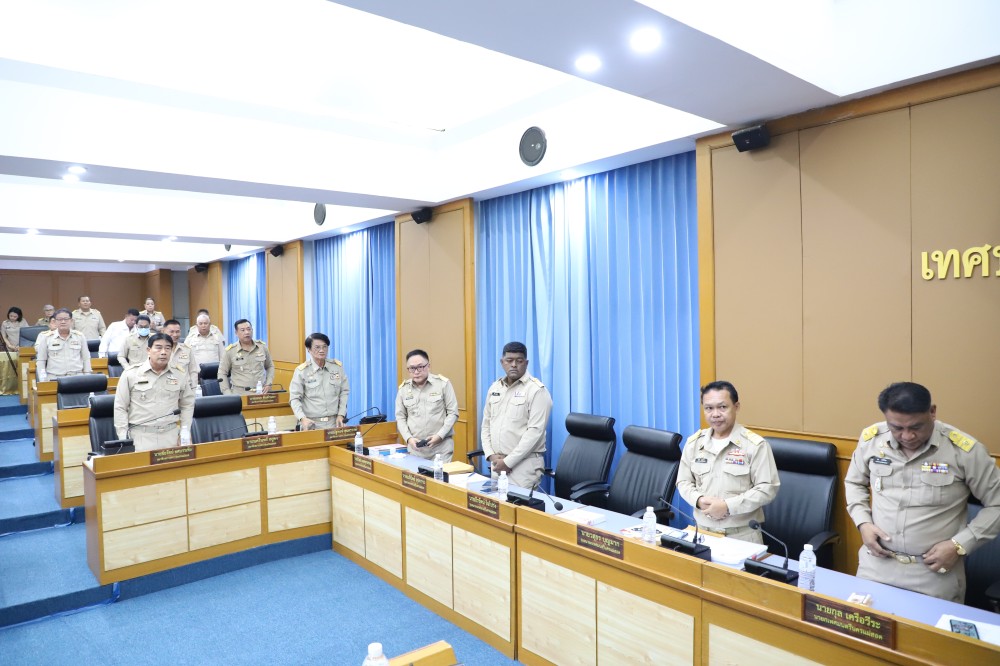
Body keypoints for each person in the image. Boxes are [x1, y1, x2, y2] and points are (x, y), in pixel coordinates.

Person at [845, 382, 1000, 603]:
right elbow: (854, 482)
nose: (907, 436)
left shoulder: (964, 451)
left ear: (932, 412)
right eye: (897, 428)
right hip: (876, 565)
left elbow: (997, 504)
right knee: (863, 624)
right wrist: (863, 523)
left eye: (916, 427)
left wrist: (959, 545)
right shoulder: (872, 440)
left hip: (934, 573)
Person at [676, 381, 780, 544]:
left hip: (742, 536)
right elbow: (683, 482)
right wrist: (699, 500)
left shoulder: (754, 445)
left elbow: (767, 488)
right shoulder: (694, 443)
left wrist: (728, 506)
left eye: (722, 407)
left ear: (736, 407)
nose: (715, 414)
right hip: (701, 532)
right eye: (709, 408)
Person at [480, 341, 553, 489]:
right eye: (509, 360)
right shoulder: (495, 388)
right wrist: (490, 454)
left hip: (523, 466)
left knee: (517, 504)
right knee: (496, 503)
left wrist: (508, 462)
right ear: (502, 362)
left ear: (526, 363)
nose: (514, 365)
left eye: (519, 361)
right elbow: (486, 424)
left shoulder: (537, 391)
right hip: (498, 463)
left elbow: (534, 433)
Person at [113, 332, 194, 452]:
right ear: (148, 350)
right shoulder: (131, 374)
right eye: (158, 347)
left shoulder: (179, 374)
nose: (163, 352)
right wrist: (123, 438)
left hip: (171, 436)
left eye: (168, 348)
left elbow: (187, 404)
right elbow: (120, 407)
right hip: (140, 436)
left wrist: (185, 432)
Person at [395, 349, 459, 460]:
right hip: (416, 449)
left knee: (439, 472)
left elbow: (453, 413)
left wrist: (440, 436)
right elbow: (400, 417)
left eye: (420, 367)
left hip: (441, 448)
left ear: (428, 366)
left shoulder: (443, 384)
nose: (416, 372)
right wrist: (409, 438)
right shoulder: (403, 389)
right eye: (412, 368)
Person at [289, 333, 349, 429]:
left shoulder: (337, 367)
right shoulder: (302, 371)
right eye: (317, 347)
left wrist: (341, 414)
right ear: (309, 349)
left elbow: (344, 392)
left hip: (335, 422)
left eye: (324, 347)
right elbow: (294, 398)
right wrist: (302, 418)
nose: (321, 350)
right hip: (312, 423)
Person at [35, 308, 92, 380]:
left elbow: (86, 358)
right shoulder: (47, 338)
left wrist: (87, 376)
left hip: (77, 377)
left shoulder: (79, 336)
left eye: (66, 319)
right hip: (54, 377)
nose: (63, 322)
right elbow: (41, 361)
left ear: (71, 321)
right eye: (59, 319)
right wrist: (43, 379)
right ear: (55, 321)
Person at [219, 319, 274, 394]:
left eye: (249, 329)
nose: (247, 332)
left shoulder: (262, 347)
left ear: (252, 330)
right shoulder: (230, 351)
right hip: (240, 393)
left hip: (261, 392)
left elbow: (270, 366)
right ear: (236, 333)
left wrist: (268, 383)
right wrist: (227, 393)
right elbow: (222, 373)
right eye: (243, 330)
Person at [163, 319, 200, 390]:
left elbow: (193, 371)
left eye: (177, 332)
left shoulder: (187, 349)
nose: (175, 334)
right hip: (166, 389)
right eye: (171, 332)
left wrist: (193, 388)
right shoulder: (159, 350)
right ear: (163, 331)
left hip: (185, 389)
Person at [0, 307, 25, 394]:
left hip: (21, 346)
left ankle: (22, 386)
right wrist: (10, 345)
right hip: (10, 347)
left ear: (19, 316)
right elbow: (4, 336)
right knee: (11, 367)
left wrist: (19, 346)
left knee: (21, 367)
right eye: (11, 316)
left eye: (15, 316)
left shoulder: (23, 321)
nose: (12, 318)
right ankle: (11, 386)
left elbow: (27, 334)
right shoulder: (5, 323)